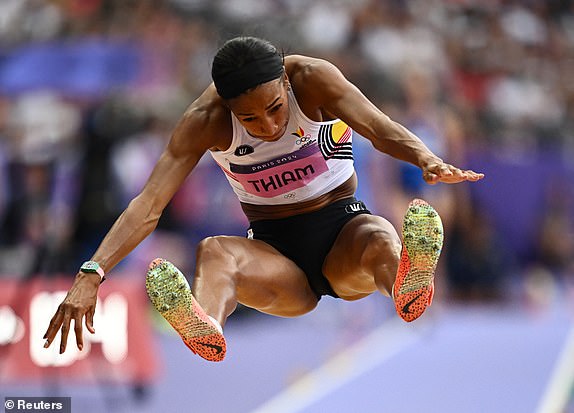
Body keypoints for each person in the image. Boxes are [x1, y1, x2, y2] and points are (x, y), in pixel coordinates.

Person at [43, 36, 484, 362]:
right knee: (213, 251)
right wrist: (92, 272)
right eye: (249, 119)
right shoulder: (205, 121)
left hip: (342, 231)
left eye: (275, 107)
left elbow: (377, 126)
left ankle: (408, 283)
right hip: (274, 253)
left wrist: (425, 157)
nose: (269, 125)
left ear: (286, 85)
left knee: (378, 236)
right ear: (227, 109)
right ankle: (205, 324)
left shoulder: (314, 80)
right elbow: (149, 203)